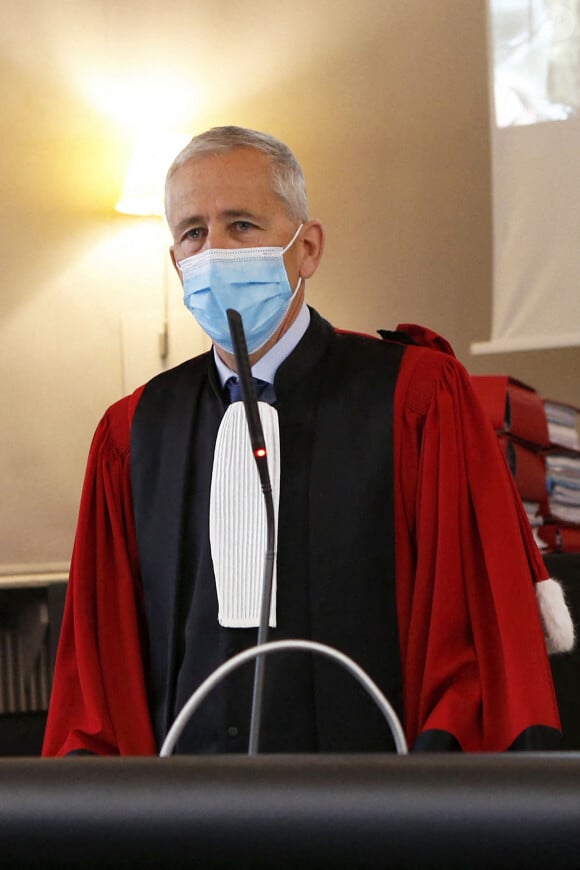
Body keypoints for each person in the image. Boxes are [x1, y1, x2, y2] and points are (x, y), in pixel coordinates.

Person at [43, 126, 572, 757]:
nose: (214, 251)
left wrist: (432, 798)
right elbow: (101, 676)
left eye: (241, 225)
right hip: (189, 816)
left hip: (377, 809)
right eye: (193, 232)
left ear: (308, 248)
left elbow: (467, 638)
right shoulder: (133, 434)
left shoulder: (416, 398)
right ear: (176, 261)